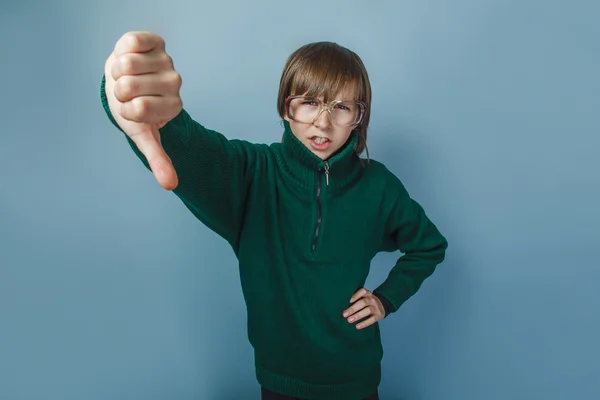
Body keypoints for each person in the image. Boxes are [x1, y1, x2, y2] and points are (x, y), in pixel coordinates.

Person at [100, 31, 448, 400]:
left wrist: (386, 297)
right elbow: (187, 145)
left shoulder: (379, 186)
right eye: (310, 102)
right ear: (286, 107)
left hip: (356, 380)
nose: (323, 123)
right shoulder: (251, 174)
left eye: (343, 108)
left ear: (359, 118)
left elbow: (429, 246)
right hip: (279, 381)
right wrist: (133, 97)